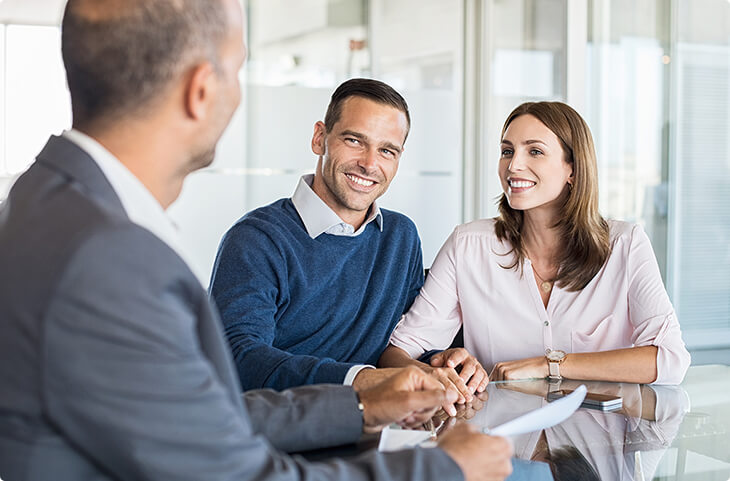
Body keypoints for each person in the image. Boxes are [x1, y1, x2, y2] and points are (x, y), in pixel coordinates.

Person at [0, 1, 515, 480]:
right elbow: (232, 469)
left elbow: (202, 417)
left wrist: (362, 406)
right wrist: (443, 469)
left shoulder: (53, 209)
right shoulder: (111, 257)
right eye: (238, 68)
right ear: (201, 89)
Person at [209, 77, 486, 407]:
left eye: (387, 150)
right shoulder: (256, 240)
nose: (370, 164)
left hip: (375, 429)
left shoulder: (400, 237)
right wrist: (362, 379)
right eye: (355, 141)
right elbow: (240, 360)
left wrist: (441, 362)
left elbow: (399, 343)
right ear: (319, 138)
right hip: (281, 438)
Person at [381, 101, 691, 385]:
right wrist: (439, 378)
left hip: (597, 440)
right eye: (507, 151)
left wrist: (550, 365)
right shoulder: (467, 246)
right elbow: (395, 354)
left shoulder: (625, 245)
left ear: (572, 169)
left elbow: (670, 360)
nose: (513, 166)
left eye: (535, 151)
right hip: (499, 440)